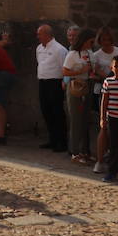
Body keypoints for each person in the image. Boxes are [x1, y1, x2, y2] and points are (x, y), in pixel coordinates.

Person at [63, 27, 96, 164]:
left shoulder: (89, 52)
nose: (92, 43)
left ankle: (84, 151)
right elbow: (65, 71)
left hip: (87, 86)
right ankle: (74, 152)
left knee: (85, 121)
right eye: (90, 41)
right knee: (76, 121)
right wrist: (81, 70)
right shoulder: (73, 54)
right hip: (76, 87)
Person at [35, 24, 68, 152]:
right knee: (46, 111)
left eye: (40, 34)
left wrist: (64, 82)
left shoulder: (59, 49)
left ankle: (62, 142)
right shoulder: (39, 48)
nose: (38, 37)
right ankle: (53, 139)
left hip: (55, 83)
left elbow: (64, 68)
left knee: (57, 112)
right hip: (42, 82)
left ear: (48, 34)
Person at [91, 28, 117, 174]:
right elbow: (95, 72)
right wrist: (106, 75)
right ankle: (101, 159)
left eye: (108, 39)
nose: (106, 42)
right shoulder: (96, 55)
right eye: (103, 40)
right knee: (104, 126)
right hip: (104, 90)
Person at [99, 51, 118, 183]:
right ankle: (112, 172)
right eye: (116, 66)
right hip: (113, 118)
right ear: (111, 68)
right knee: (113, 146)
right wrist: (103, 118)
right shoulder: (108, 82)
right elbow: (105, 101)